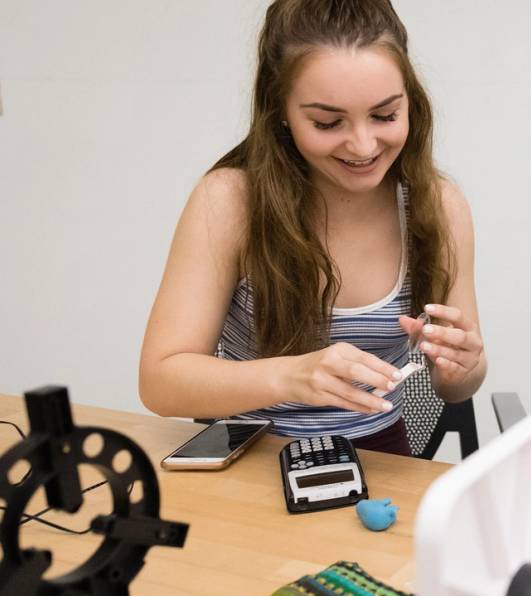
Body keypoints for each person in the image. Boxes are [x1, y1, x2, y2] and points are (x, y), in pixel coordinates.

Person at [140, 0, 486, 455]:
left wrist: (463, 367)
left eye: (385, 115)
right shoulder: (230, 201)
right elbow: (160, 382)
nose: (363, 145)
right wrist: (292, 376)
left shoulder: (438, 206)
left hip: (381, 457)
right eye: (327, 122)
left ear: (410, 102)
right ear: (280, 109)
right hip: (249, 451)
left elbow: (458, 388)